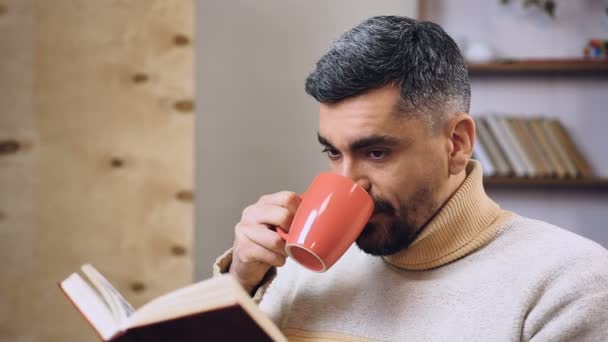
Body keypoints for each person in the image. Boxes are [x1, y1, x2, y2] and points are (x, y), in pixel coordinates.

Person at [213, 16, 608, 341]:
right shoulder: (296, 266)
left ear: (456, 144)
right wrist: (241, 284)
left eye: (376, 152)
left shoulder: (571, 282)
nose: (351, 183)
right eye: (334, 152)